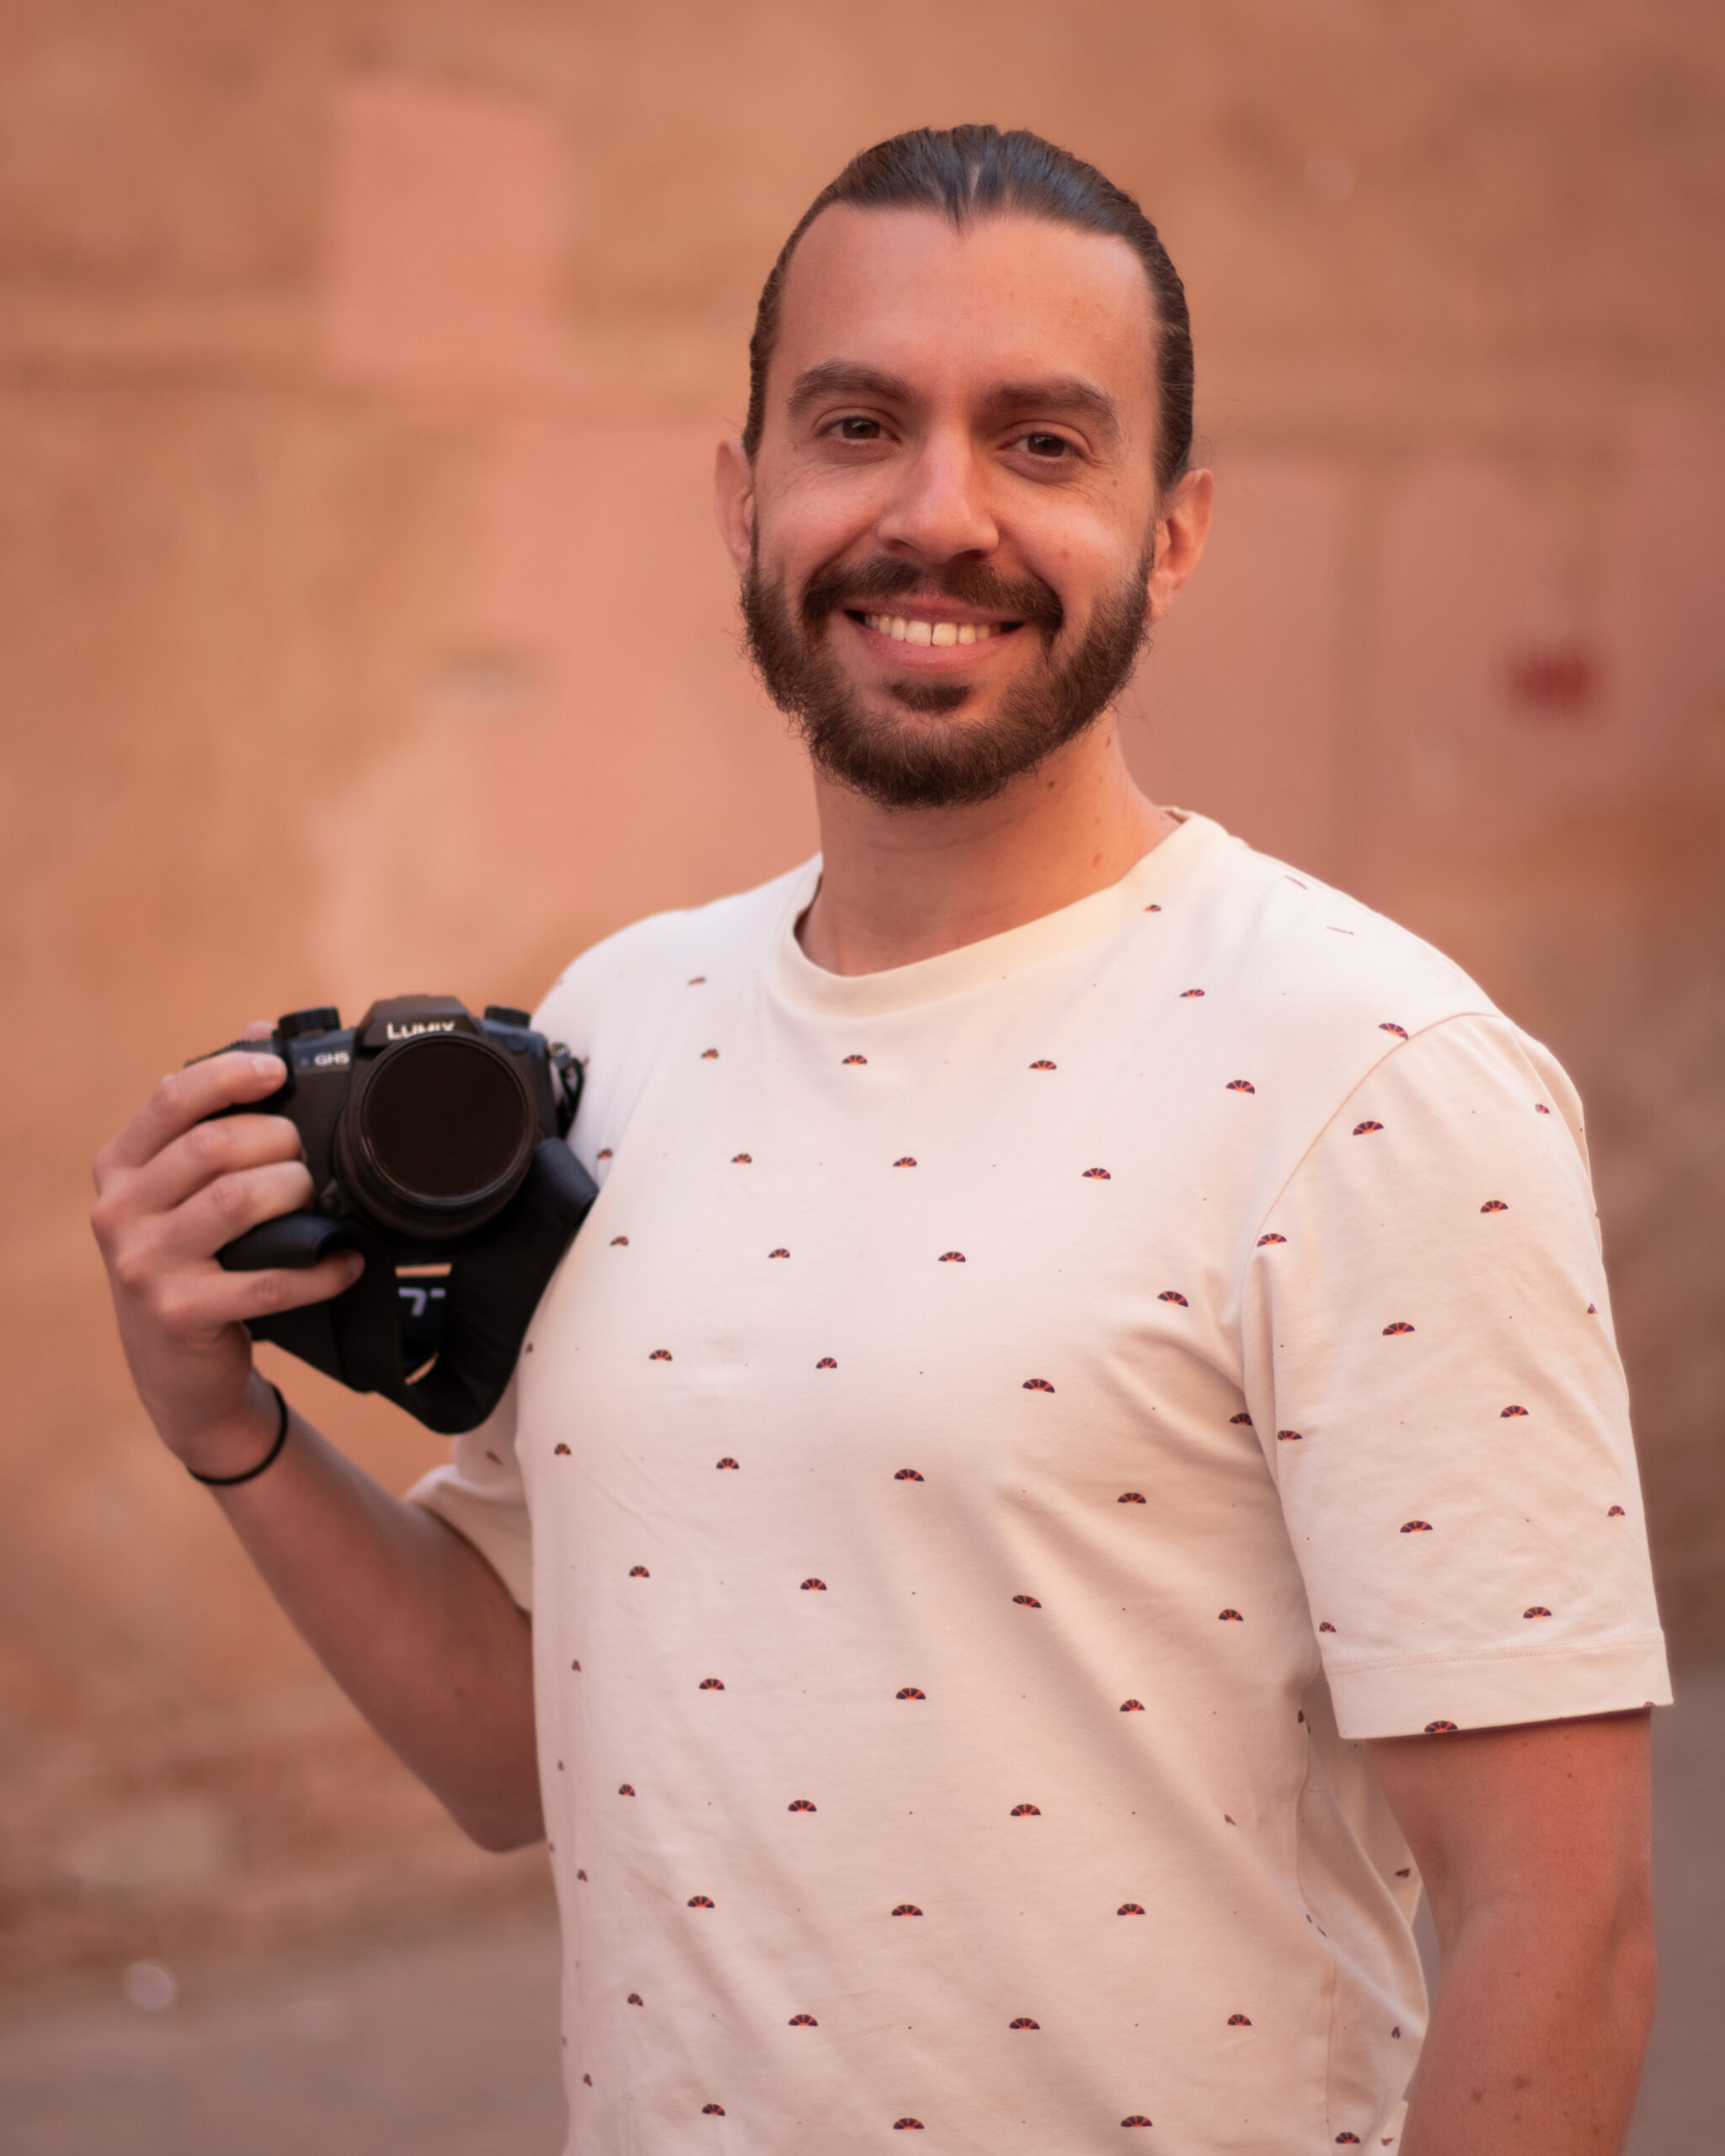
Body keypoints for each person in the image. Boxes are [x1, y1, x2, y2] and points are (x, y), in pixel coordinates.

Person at [92, 127, 1668, 2154]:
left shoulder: (1370, 1075)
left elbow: (1567, 1918)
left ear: (1172, 532)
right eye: (858, 423)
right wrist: (215, 1411)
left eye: (1040, 443)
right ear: (744, 495)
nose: (940, 516)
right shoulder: (619, 1025)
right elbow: (517, 1737)